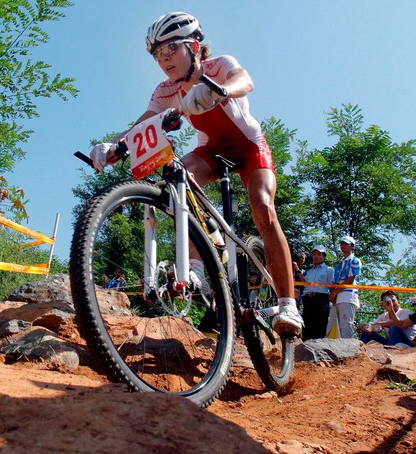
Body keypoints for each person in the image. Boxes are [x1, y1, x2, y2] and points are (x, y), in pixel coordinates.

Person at [89, 12, 303, 336]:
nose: (164, 60)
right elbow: (143, 125)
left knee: (262, 208)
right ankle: (200, 261)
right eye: (157, 55)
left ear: (194, 45)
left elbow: (246, 81)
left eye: (170, 49)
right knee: (176, 180)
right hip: (211, 150)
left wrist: (220, 90)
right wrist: (113, 146)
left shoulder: (218, 66)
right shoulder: (166, 90)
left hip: (249, 147)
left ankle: (288, 305)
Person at [328, 235, 362, 338]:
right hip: (338, 298)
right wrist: (333, 296)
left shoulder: (355, 261)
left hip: (348, 296)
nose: (343, 246)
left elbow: (351, 279)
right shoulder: (339, 265)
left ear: (352, 246)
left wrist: (335, 292)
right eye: (342, 243)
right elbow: (334, 282)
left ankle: (347, 350)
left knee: (346, 324)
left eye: (346, 244)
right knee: (333, 325)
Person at [301, 245, 334, 340]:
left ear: (324, 257)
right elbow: (306, 285)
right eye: (314, 254)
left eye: (319, 254)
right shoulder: (309, 272)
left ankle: (319, 347)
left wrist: (332, 299)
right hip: (309, 299)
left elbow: (331, 286)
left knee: (320, 324)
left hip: (321, 299)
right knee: (307, 324)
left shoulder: (329, 270)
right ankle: (306, 346)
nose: (316, 257)